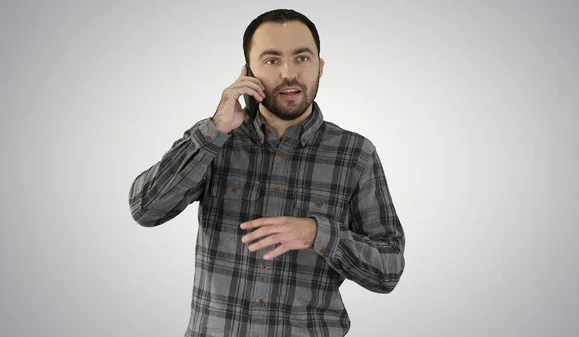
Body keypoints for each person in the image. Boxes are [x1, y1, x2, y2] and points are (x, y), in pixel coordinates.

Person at [128, 8, 405, 337]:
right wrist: (215, 129)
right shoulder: (215, 140)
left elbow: (388, 270)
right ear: (248, 72)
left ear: (320, 66)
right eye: (272, 60)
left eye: (302, 58)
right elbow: (145, 209)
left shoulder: (356, 154)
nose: (290, 73)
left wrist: (319, 235)